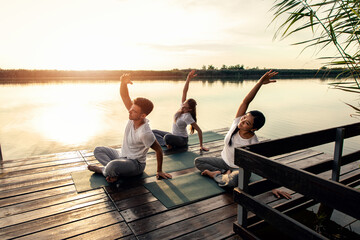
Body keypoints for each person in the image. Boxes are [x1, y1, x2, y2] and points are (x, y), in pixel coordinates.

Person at [194, 70, 291, 199]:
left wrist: (272, 187)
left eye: (247, 123)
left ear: (254, 129)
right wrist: (259, 83)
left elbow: (261, 166)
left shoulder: (253, 143)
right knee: (198, 161)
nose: (243, 121)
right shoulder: (236, 123)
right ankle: (223, 173)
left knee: (234, 182)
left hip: (239, 170)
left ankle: (214, 175)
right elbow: (246, 102)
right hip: (224, 162)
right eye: (244, 117)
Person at [88, 73, 172, 183]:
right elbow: (125, 96)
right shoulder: (133, 116)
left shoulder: (145, 133)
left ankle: (105, 170)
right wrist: (123, 83)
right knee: (98, 150)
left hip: (135, 164)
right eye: (131, 108)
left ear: (142, 116)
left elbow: (158, 150)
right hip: (122, 155)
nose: (129, 111)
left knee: (112, 165)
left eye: (134, 111)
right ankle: (110, 171)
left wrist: (159, 171)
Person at [152, 70, 209, 151]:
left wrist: (201, 146)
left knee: (167, 137)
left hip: (182, 140)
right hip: (173, 135)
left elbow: (199, 130)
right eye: (183, 104)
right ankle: (167, 144)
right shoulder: (182, 107)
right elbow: (184, 91)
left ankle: (168, 143)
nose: (182, 106)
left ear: (190, 109)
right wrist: (188, 79)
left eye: (185, 106)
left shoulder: (187, 117)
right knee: (152, 132)